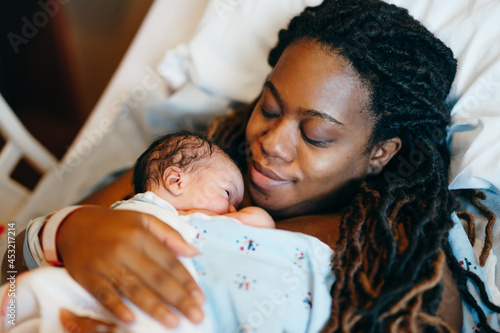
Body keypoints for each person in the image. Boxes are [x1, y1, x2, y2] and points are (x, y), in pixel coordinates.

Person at [9, 0, 500, 332]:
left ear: (380, 153)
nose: (271, 144)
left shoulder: (398, 262)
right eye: (268, 107)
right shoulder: (190, 176)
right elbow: (8, 256)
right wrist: (72, 230)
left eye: (316, 135)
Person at [129, 131, 275, 228]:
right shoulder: (130, 213)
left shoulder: (197, 224)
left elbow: (262, 224)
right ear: (176, 181)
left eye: (237, 207)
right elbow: (260, 221)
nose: (233, 210)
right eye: (227, 193)